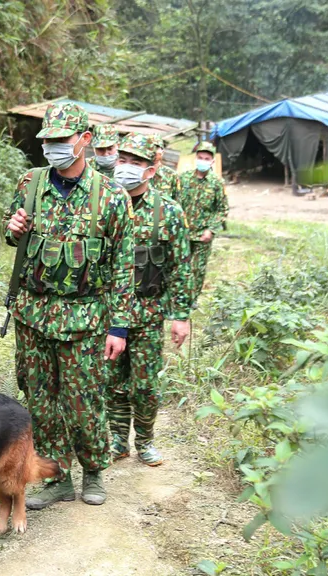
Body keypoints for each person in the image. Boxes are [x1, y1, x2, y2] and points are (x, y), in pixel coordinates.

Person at [5, 103, 134, 509]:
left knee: (84, 401)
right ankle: (55, 475)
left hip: (86, 317)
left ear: (84, 141)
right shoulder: (30, 182)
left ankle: (93, 470)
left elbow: (123, 266)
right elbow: (16, 235)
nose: (52, 147)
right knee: (39, 398)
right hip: (33, 315)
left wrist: (119, 327)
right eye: (47, 140)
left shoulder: (112, 197)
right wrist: (12, 229)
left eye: (61, 140)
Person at [107, 133, 192, 466]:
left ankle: (145, 440)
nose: (127, 168)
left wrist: (181, 315)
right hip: (110, 313)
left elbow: (181, 266)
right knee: (112, 380)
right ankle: (117, 439)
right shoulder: (103, 203)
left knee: (144, 383)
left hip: (148, 310)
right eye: (123, 160)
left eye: (136, 163)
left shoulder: (168, 211)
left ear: (151, 170)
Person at [176, 141, 227, 309]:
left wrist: (210, 230)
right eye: (200, 157)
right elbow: (175, 203)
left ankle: (191, 300)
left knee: (197, 269)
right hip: (183, 233)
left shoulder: (216, 183)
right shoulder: (183, 178)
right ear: (195, 158)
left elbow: (222, 209)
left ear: (212, 161)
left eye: (206, 158)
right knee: (180, 268)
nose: (203, 160)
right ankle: (178, 298)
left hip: (202, 235)